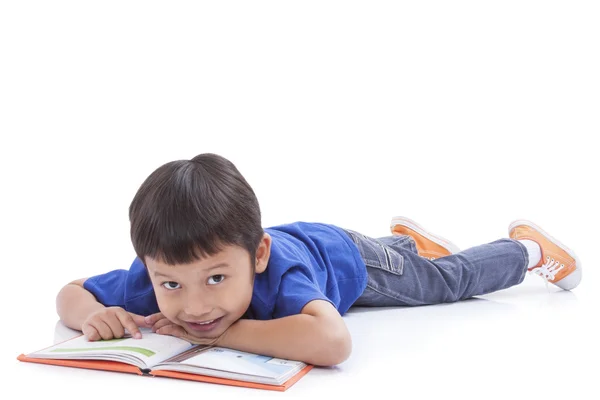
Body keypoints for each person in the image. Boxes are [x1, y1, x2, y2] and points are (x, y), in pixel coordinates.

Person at [55, 153, 582, 367]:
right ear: (149, 267)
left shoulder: (283, 275)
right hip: (315, 244)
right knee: (421, 264)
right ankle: (411, 242)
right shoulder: (161, 279)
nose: (193, 305)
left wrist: (218, 337)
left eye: (217, 278)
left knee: (447, 281)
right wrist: (93, 316)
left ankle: (527, 249)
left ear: (257, 257)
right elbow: (70, 292)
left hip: (347, 258)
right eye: (170, 284)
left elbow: (332, 342)